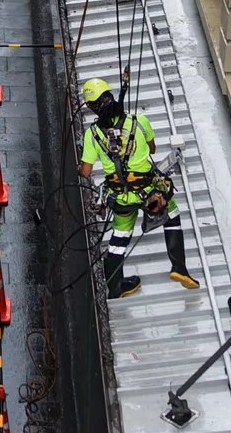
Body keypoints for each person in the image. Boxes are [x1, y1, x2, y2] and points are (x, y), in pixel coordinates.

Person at [78, 78, 197, 298]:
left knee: (120, 237)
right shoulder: (139, 121)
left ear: (90, 107)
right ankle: (179, 268)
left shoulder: (92, 135)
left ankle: (115, 288)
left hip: (121, 198)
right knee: (172, 216)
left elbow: (85, 172)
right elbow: (152, 149)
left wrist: (81, 166)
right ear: (111, 96)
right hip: (149, 192)